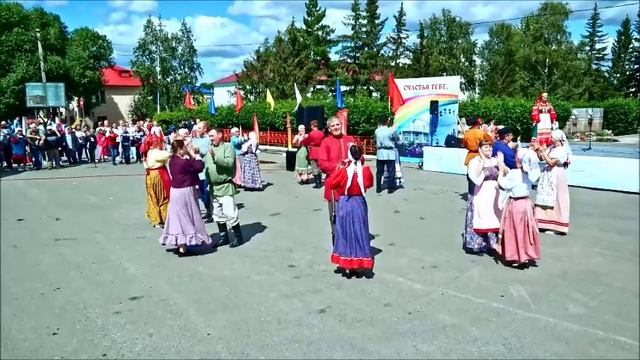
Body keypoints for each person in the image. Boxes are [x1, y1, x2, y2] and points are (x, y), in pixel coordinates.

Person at [325, 143, 374, 278]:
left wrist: (339, 167)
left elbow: (331, 184)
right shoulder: (365, 171)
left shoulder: (343, 171)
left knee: (345, 233)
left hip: (345, 203)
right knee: (360, 232)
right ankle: (359, 265)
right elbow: (369, 184)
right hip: (359, 203)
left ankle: (347, 264)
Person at [159, 139, 211, 256]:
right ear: (179, 149)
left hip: (175, 191)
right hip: (185, 190)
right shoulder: (183, 162)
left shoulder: (172, 160)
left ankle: (181, 245)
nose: (186, 149)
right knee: (188, 216)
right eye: (184, 148)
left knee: (178, 218)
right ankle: (184, 246)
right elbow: (198, 167)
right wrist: (196, 155)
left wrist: (188, 155)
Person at [495, 148, 542, 267]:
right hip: (526, 204)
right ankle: (526, 254)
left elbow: (503, 183)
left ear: (520, 161)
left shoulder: (515, 174)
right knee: (525, 230)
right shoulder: (529, 174)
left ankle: (517, 256)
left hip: (516, 205)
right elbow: (510, 173)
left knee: (515, 230)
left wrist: (500, 171)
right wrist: (502, 164)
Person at [204, 128, 244, 248]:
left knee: (230, 213)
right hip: (213, 187)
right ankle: (224, 237)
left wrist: (216, 158)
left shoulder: (228, 147)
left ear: (220, 135)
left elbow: (229, 163)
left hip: (225, 185)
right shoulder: (209, 149)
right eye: (209, 136)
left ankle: (238, 237)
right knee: (217, 214)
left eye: (212, 136)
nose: (210, 138)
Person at [318, 116, 355, 244]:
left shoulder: (350, 140)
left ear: (341, 125)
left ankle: (350, 244)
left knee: (350, 216)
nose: (336, 127)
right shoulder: (326, 142)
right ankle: (338, 245)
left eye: (337, 124)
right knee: (335, 216)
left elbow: (360, 158)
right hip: (334, 186)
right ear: (329, 129)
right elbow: (322, 164)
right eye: (332, 126)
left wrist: (356, 158)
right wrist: (338, 167)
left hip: (350, 185)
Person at [464, 136, 501, 254]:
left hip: (494, 193)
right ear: (480, 149)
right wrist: (481, 164)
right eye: (485, 147)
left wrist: (501, 163)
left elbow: (503, 176)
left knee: (492, 219)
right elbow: (476, 180)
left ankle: (491, 244)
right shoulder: (474, 162)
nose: (489, 149)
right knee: (479, 218)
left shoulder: (495, 160)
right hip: (480, 193)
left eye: (490, 146)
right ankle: (476, 244)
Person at [534, 129, 571, 235]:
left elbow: (550, 162)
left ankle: (556, 225)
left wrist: (543, 152)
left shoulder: (561, 150)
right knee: (545, 197)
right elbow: (542, 158)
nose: (551, 138)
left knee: (556, 198)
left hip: (556, 175)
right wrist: (538, 150)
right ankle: (543, 223)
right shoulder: (551, 148)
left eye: (553, 137)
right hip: (548, 175)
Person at [144, 135, 171, 228]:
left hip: (150, 175)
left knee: (153, 196)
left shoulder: (150, 152)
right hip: (158, 174)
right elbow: (168, 154)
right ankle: (163, 217)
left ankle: (155, 217)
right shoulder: (156, 152)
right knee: (162, 196)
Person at [191, 121, 213, 222]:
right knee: (200, 192)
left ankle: (210, 211)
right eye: (197, 128)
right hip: (196, 169)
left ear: (205, 129)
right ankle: (206, 210)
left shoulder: (208, 140)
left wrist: (198, 150)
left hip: (204, 169)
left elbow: (207, 153)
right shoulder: (195, 140)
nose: (197, 130)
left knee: (205, 192)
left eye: (200, 128)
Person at [462, 117, 485, 194]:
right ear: (477, 123)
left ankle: (471, 193)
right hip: (480, 154)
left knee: (470, 174)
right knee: (480, 174)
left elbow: (464, 144)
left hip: (470, 155)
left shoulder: (467, 133)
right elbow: (490, 142)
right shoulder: (481, 133)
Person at [374, 116, 397, 194]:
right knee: (391, 171)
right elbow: (397, 138)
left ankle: (378, 188)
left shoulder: (377, 131)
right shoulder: (391, 130)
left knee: (379, 172)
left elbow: (375, 140)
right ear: (387, 121)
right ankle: (390, 189)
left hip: (380, 153)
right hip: (390, 153)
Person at [301, 120, 326, 188]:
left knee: (314, 167)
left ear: (312, 126)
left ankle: (317, 183)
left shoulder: (311, 134)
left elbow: (306, 142)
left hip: (313, 151)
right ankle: (320, 182)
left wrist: (302, 142)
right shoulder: (322, 133)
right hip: (320, 151)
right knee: (319, 167)